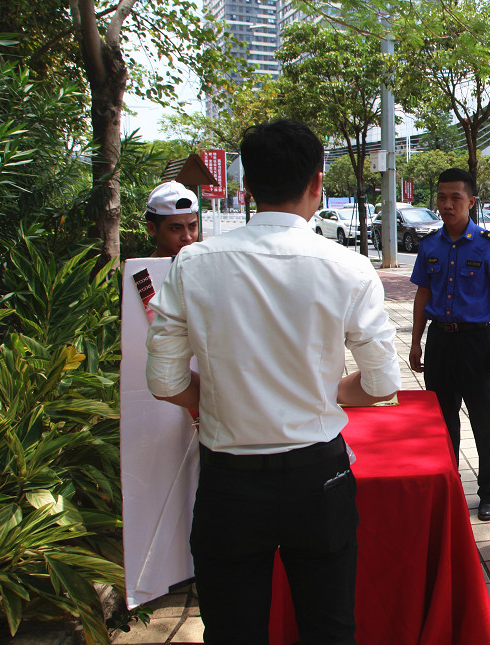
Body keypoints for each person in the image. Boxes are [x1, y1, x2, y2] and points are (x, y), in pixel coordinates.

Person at [145, 119, 401, 644]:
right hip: (318, 478)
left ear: (247, 186)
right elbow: (381, 384)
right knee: (329, 629)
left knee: (232, 632)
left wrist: (221, 400)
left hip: (230, 482)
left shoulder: (193, 264)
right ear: (317, 182)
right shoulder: (349, 267)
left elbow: (165, 382)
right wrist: (328, 392)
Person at [409, 168, 490, 522]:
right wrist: (416, 341)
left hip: (475, 342)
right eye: (442, 197)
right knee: (441, 421)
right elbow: (423, 294)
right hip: (439, 340)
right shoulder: (429, 245)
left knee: (484, 419)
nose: (447, 204)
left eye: (456, 198)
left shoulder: (489, 244)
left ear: (471, 201)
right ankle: (448, 487)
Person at [145, 181, 200, 257]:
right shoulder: (143, 266)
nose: (187, 237)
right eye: (176, 228)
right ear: (152, 228)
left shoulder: (207, 263)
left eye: (192, 226)